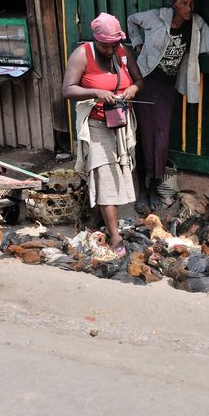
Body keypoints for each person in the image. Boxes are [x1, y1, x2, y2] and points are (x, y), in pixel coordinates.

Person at [127, 0, 209, 212]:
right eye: (184, 3)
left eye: (192, 3)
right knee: (143, 137)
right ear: (174, 3)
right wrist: (138, 45)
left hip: (166, 88)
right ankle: (141, 192)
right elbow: (132, 21)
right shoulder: (156, 17)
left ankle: (154, 187)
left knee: (160, 140)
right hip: (144, 82)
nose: (189, 8)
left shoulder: (196, 24)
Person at [62, 13, 144, 257]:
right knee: (105, 172)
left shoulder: (122, 52)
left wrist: (132, 88)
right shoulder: (82, 54)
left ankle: (94, 220)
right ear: (96, 40)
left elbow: (140, 80)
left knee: (116, 172)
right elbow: (67, 90)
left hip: (120, 123)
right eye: (105, 46)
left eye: (114, 44)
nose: (110, 50)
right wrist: (96, 91)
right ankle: (115, 235)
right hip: (96, 124)